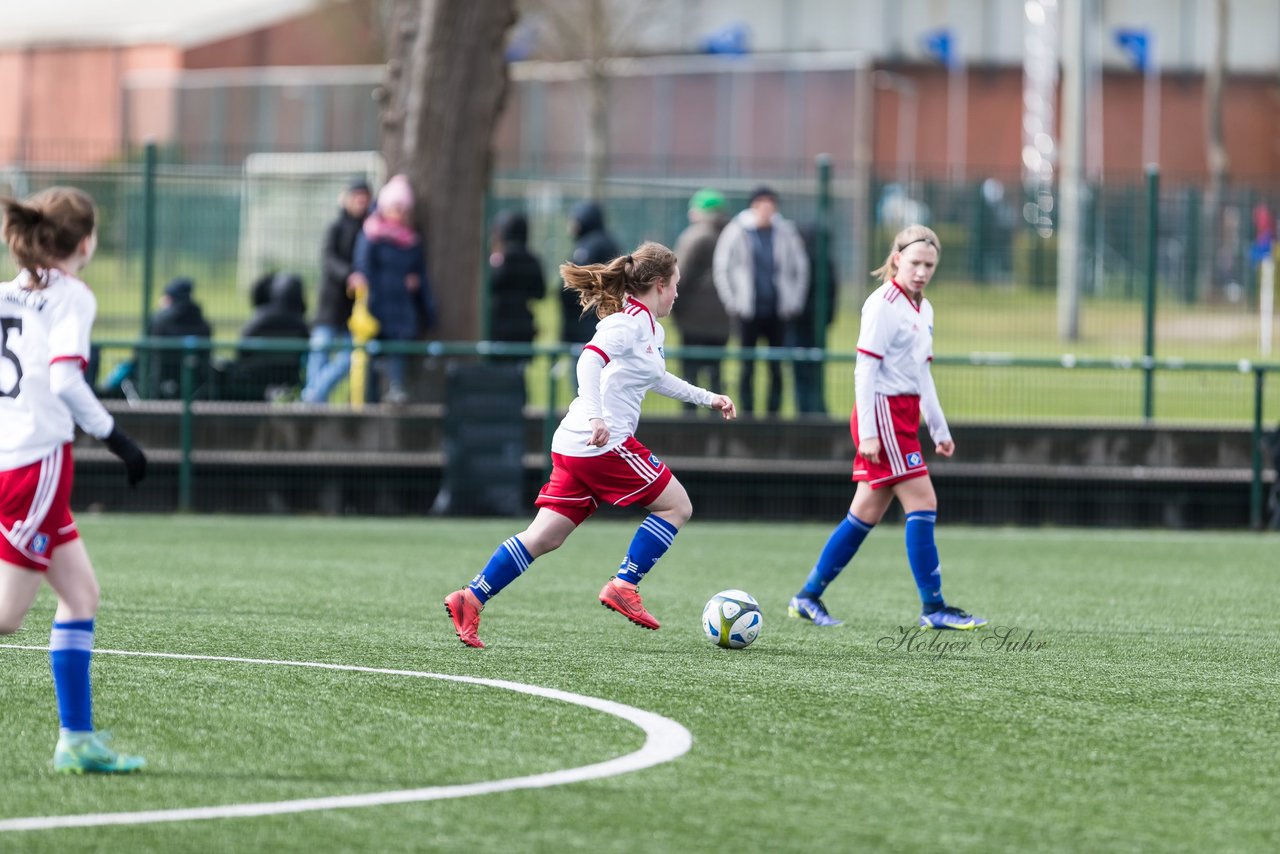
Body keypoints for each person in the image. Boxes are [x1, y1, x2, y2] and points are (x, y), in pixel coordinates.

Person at [444, 241, 737, 648]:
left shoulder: (651, 327)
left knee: (545, 536)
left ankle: (470, 598)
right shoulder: (626, 324)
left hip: (576, 444)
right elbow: (589, 360)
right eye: (675, 286)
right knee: (677, 505)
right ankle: (625, 584)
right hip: (603, 441)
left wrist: (710, 398)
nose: (676, 294)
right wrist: (599, 416)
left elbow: (657, 378)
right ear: (657, 284)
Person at [0, 186, 147, 773]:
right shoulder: (73, 298)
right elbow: (65, 380)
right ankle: (76, 740)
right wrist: (118, 438)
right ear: (85, 242)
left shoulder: (8, 292)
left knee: (80, 595)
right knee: (7, 616)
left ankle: (76, 741)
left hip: (13, 458)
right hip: (36, 463)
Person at [786, 225, 986, 631]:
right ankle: (934, 608)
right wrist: (872, 432)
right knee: (923, 501)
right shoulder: (881, 304)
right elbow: (865, 370)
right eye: (914, 263)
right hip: (883, 415)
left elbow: (922, 374)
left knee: (865, 512)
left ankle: (806, 597)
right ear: (896, 259)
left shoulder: (923, 309)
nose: (922, 271)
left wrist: (939, 427)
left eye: (929, 265)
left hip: (905, 417)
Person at [713, 185, 808, 416]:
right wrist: (732, 301)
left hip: (778, 310)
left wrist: (794, 301)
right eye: (762, 204)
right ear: (753, 206)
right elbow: (722, 267)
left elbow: (800, 267)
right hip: (748, 311)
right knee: (747, 365)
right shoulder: (737, 230)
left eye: (771, 204)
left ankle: (773, 413)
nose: (767, 209)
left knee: (776, 366)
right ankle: (746, 412)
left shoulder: (786, 231)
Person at [355, 174, 435, 404]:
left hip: (400, 306)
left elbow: (420, 276)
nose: (399, 213)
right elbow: (364, 267)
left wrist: (429, 310)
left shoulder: (410, 241)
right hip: (377, 304)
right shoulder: (371, 235)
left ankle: (396, 388)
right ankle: (369, 398)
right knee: (373, 353)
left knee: (398, 349)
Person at [302, 177, 371, 404]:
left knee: (349, 357)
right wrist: (348, 275)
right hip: (330, 305)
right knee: (319, 353)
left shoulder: (369, 229)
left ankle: (312, 396)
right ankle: (315, 403)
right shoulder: (336, 227)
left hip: (356, 308)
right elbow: (328, 259)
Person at [672, 188, 732, 412]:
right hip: (723, 317)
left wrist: (674, 308)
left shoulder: (695, 236)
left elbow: (680, 275)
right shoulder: (732, 234)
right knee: (716, 372)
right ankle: (717, 423)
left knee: (690, 375)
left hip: (693, 318)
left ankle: (690, 426)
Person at [223, 271, 310, 401]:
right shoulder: (301, 324)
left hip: (256, 379)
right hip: (290, 377)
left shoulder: (261, 317)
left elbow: (241, 349)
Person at [791, 222, 838, 414]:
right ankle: (815, 409)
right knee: (814, 371)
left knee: (801, 371)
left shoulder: (803, 260)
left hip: (800, 324)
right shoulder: (827, 261)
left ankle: (806, 410)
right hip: (815, 325)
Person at [560, 200, 620, 345]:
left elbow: (576, 281)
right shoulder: (606, 242)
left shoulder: (590, 246)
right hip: (599, 318)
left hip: (586, 320)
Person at [146, 276, 213, 399]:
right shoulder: (203, 323)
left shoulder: (158, 321)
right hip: (196, 386)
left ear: (169, 299)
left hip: (160, 385)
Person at [487, 209, 546, 347]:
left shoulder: (498, 259)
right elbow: (540, 293)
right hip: (523, 323)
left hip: (498, 323)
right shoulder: (532, 260)